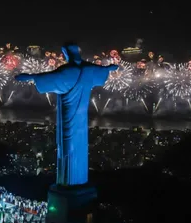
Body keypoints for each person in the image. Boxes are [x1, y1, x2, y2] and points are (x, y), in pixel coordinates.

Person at [16, 43, 118, 185]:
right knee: (79, 145)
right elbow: (100, 71)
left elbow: (49, 77)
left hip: (69, 116)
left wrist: (30, 77)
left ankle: (69, 183)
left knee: (68, 145)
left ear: (66, 54)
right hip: (82, 119)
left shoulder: (68, 71)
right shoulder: (88, 69)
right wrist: (109, 69)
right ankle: (78, 181)